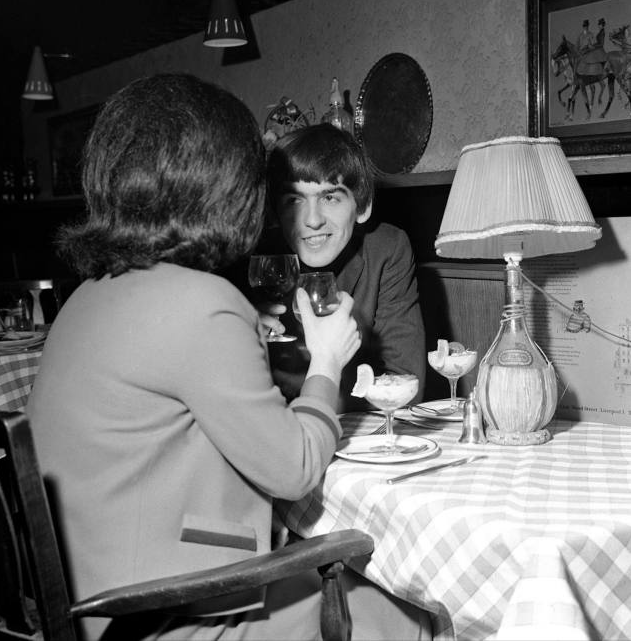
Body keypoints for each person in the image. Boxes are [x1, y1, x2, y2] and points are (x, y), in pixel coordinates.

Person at [26, 74, 431, 641]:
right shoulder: (202, 301)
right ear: (225, 185)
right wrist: (326, 361)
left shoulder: (87, 296)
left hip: (84, 599)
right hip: (155, 613)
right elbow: (295, 469)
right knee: (411, 616)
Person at [252, 123, 426, 410]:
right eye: (294, 200)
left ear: (362, 205)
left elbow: (405, 382)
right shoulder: (255, 259)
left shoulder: (387, 249)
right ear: (275, 211)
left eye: (329, 198)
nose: (312, 220)